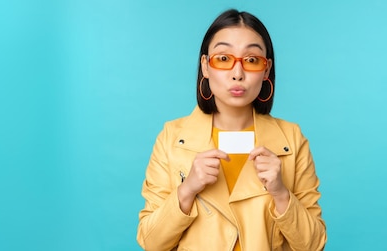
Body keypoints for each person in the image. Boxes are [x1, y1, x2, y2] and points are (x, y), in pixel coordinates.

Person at [136, 9, 327, 251]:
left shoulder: (291, 139)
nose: (238, 74)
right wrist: (187, 189)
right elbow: (151, 242)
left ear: (266, 69)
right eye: (224, 59)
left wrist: (280, 193)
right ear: (205, 66)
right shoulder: (172, 138)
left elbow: (314, 245)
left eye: (252, 60)